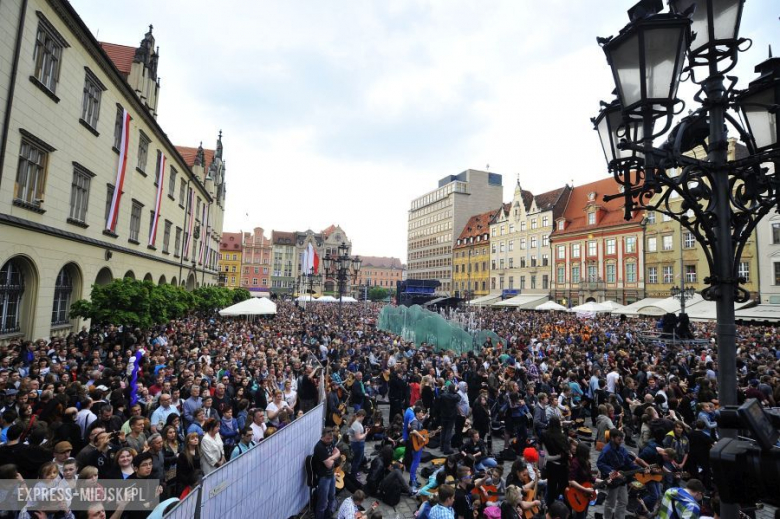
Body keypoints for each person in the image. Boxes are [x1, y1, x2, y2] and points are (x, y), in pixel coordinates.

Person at [597, 428, 651, 519]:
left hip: (622, 480)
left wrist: (641, 469)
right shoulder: (606, 450)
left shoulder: (622, 450)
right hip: (613, 480)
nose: (621, 441)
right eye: (619, 439)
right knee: (610, 503)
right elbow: (600, 463)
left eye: (622, 439)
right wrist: (613, 472)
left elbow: (629, 463)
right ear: (612, 438)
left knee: (623, 502)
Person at [568, 443, 602, 519]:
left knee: (584, 514)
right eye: (588, 453)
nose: (589, 455)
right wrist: (585, 489)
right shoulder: (575, 463)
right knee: (580, 515)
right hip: (577, 493)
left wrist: (603, 481)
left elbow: (590, 478)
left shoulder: (587, 463)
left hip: (585, 494)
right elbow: (571, 481)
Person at [313, 427, 340, 519]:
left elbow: (338, 452)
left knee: (332, 497)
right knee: (323, 502)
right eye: (327, 439)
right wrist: (333, 457)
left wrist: (331, 457)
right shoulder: (319, 447)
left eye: (331, 439)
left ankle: (328, 516)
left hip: (331, 474)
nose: (329, 441)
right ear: (322, 437)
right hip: (323, 477)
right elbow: (328, 464)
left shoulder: (331, 442)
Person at [349, 409, 368, 477]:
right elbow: (358, 437)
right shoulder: (356, 425)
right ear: (361, 416)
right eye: (364, 417)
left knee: (358, 459)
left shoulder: (357, 423)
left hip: (358, 444)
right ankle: (353, 474)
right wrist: (365, 433)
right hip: (357, 444)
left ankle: (355, 472)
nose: (363, 419)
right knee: (357, 460)